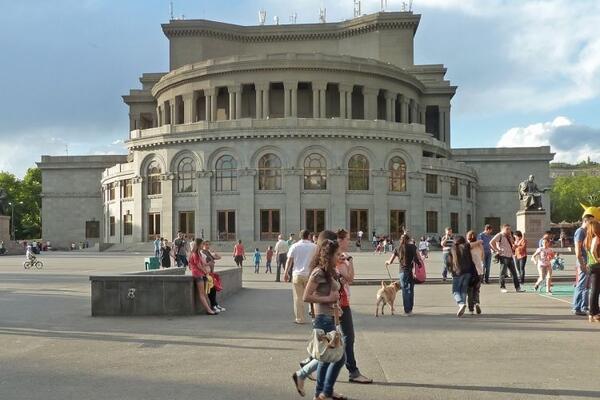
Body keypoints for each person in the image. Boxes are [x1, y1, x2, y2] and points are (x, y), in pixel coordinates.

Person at [301, 237, 346, 400]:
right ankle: (323, 392)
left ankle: (323, 393)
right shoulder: (318, 272)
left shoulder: (330, 271)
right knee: (337, 357)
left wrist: (336, 305)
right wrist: (329, 299)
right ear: (330, 255)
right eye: (337, 254)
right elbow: (306, 296)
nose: (340, 256)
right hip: (323, 319)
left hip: (331, 317)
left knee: (328, 358)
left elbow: (332, 293)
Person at [283, 229, 317, 324]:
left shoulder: (294, 246)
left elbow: (289, 260)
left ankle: (300, 319)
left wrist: (286, 273)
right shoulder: (314, 247)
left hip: (297, 275)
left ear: (300, 236)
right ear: (309, 236)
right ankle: (316, 317)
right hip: (310, 275)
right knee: (313, 296)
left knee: (298, 298)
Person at [385, 234, 417, 315]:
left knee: (405, 290)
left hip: (403, 271)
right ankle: (410, 309)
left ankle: (407, 311)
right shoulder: (413, 247)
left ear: (400, 240)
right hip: (411, 271)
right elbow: (418, 258)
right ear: (408, 240)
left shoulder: (397, 248)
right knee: (411, 290)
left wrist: (387, 262)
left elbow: (390, 261)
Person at [572, 211, 596, 316]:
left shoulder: (586, 232)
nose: (592, 224)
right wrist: (582, 264)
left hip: (587, 261)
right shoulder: (580, 232)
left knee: (586, 285)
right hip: (583, 262)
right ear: (585, 221)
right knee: (581, 285)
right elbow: (578, 250)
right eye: (591, 222)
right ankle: (576, 307)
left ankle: (584, 306)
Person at [490, 224, 524, 293]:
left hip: (510, 256)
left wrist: (514, 246)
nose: (509, 230)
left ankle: (517, 287)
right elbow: (491, 242)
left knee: (514, 273)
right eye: (507, 229)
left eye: (509, 229)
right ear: (503, 229)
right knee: (503, 273)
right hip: (503, 256)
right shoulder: (499, 235)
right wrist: (497, 250)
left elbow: (512, 245)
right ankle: (502, 287)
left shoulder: (509, 236)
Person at [188, 238, 217, 315]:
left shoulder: (199, 253)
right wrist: (205, 271)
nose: (203, 245)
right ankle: (209, 310)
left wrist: (209, 262)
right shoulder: (195, 254)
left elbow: (203, 263)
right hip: (198, 274)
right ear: (198, 245)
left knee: (204, 293)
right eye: (202, 244)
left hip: (201, 274)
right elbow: (199, 265)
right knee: (202, 293)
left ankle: (210, 308)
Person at [449, 236, 476, 317]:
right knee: (463, 290)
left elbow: (448, 262)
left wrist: (450, 270)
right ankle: (462, 307)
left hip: (457, 272)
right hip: (468, 271)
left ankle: (461, 304)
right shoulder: (466, 247)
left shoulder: (453, 248)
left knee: (455, 291)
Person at [201, 241, 226, 313]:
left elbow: (219, 257)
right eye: (206, 244)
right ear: (203, 245)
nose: (207, 246)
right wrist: (209, 263)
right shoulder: (202, 253)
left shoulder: (208, 252)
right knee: (211, 290)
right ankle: (213, 305)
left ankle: (215, 304)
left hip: (211, 273)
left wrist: (214, 252)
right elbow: (203, 263)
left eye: (208, 245)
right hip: (206, 273)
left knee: (214, 289)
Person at [466, 231, 484, 315]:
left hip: (470, 271)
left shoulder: (468, 246)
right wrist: (479, 242)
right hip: (480, 271)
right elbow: (483, 257)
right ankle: (477, 303)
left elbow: (468, 246)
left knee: (469, 291)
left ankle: (471, 309)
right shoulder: (479, 245)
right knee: (476, 290)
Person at [586, 220, 600, 323]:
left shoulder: (588, 238)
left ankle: (594, 312)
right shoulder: (596, 238)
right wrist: (597, 259)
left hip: (592, 266)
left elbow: (589, 251)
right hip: (596, 266)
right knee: (595, 290)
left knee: (595, 290)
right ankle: (593, 313)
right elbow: (593, 250)